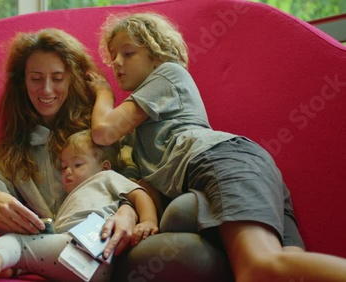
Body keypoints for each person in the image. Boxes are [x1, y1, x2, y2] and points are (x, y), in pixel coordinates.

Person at [87, 12, 346, 281]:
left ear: (157, 55)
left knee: (259, 268)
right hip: (246, 164)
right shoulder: (139, 132)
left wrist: (104, 92)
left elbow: (104, 131)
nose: (116, 63)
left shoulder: (168, 75)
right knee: (290, 269)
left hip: (219, 159)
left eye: (128, 53)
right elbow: (143, 185)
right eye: (113, 55)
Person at [0, 28, 141, 280]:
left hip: (119, 244)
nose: (47, 90)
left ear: (72, 79)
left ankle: (6, 263)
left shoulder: (99, 129)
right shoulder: (10, 151)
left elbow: (137, 178)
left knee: (187, 254)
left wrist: (128, 212)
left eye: (58, 78)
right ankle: (5, 263)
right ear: (22, 82)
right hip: (61, 257)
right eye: (36, 79)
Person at [0, 129, 159, 281]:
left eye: (78, 164)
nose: (68, 171)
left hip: (89, 247)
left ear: (104, 166)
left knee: (15, 241)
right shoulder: (71, 197)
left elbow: (139, 194)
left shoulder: (106, 177)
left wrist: (148, 220)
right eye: (63, 167)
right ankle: (10, 270)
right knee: (41, 250)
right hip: (83, 264)